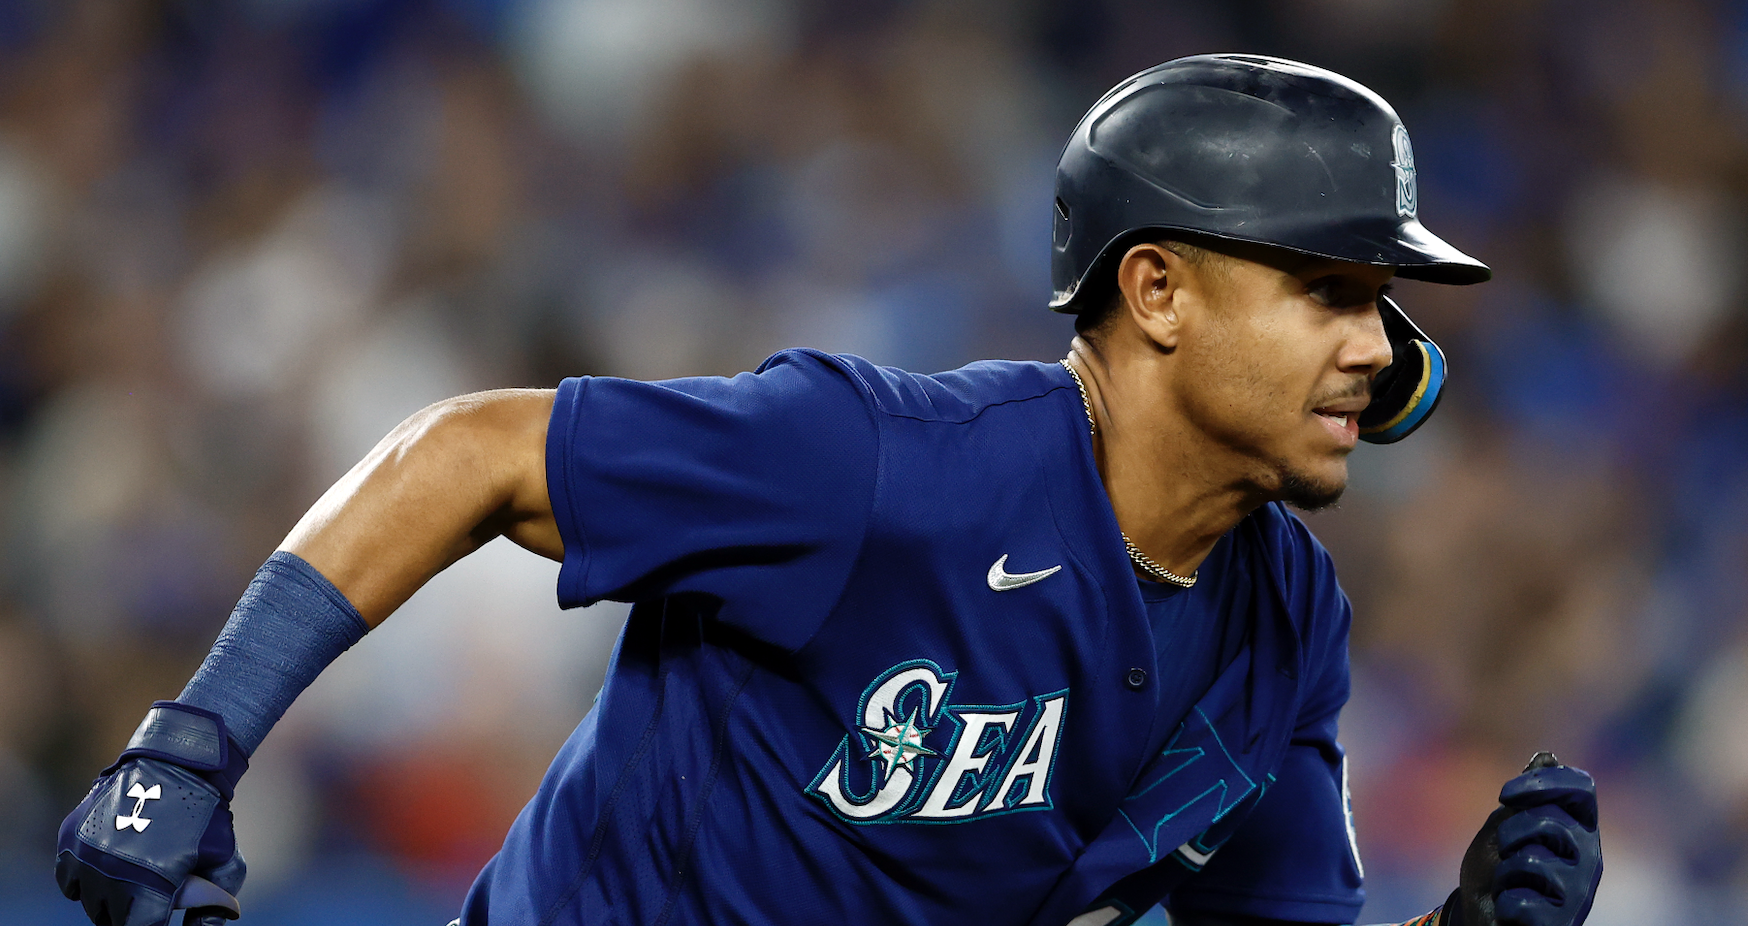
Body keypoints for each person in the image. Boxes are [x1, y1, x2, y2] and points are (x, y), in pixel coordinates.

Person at [53, 54, 1602, 926]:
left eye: (1381, 302)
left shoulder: (1285, 615)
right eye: (1329, 288)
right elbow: (471, 452)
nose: (1378, 346)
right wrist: (193, 743)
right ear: (1156, 291)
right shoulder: (882, 463)